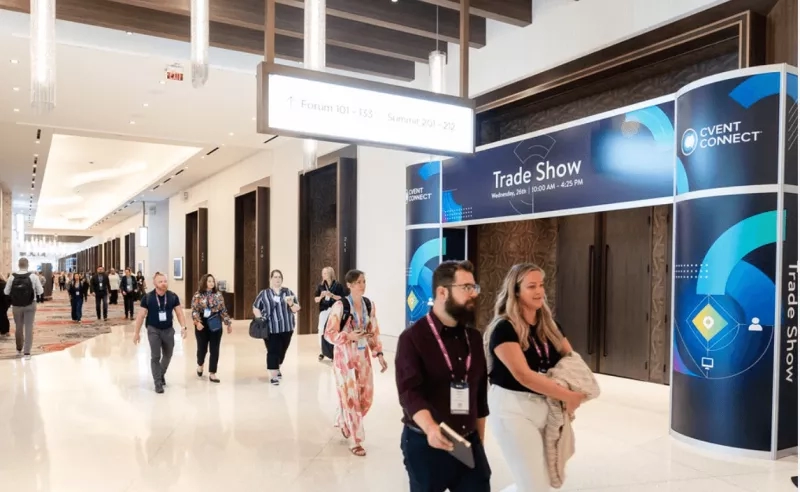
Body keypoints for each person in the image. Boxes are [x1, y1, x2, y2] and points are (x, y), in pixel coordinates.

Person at [485, 263, 585, 492]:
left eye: (541, 285)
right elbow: (523, 376)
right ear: (516, 291)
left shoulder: (550, 326)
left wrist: (574, 390)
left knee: (545, 481)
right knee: (533, 486)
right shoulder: (503, 329)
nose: (539, 291)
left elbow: (571, 359)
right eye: (531, 286)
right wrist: (567, 395)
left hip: (546, 407)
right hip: (512, 409)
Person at [395, 260, 491, 492]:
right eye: (466, 288)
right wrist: (430, 428)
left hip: (466, 443)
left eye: (474, 287)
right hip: (425, 443)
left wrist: (478, 442)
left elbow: (479, 396)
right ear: (441, 292)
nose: (472, 294)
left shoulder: (474, 338)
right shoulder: (412, 339)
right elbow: (410, 393)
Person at [323, 269, 388, 457]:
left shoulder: (369, 305)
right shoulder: (340, 306)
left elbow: (373, 331)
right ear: (350, 285)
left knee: (365, 397)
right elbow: (329, 334)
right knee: (351, 398)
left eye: (364, 281)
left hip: (363, 357)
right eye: (359, 282)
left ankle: (343, 417)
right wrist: (348, 335)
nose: (362, 285)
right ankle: (356, 440)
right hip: (344, 358)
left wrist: (379, 353)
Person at [133, 272, 187, 393]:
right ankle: (158, 382)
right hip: (153, 330)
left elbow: (179, 313)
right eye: (160, 281)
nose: (163, 284)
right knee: (155, 356)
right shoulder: (148, 297)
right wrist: (136, 333)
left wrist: (183, 327)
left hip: (168, 330)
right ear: (155, 283)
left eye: (165, 281)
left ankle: (160, 373)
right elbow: (141, 316)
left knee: (168, 355)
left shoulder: (172, 296)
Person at [252, 269, 300, 386]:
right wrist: (260, 318)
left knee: (282, 351)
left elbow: (296, 309)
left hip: (287, 328)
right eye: (275, 277)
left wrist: (291, 304)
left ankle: (277, 367)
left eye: (279, 277)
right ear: (271, 279)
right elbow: (255, 307)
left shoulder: (287, 292)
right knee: (273, 351)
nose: (277, 279)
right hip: (271, 328)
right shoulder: (264, 293)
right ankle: (273, 375)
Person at [191, 274, 232, 383]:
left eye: (212, 281)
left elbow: (223, 310)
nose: (211, 283)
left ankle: (212, 373)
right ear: (204, 282)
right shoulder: (198, 295)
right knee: (202, 348)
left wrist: (228, 323)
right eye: (209, 281)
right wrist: (197, 322)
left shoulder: (218, 295)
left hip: (215, 322)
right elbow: (194, 310)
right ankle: (200, 364)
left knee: (215, 349)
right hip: (202, 323)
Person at [4, 258, 44, 360]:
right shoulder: (33, 276)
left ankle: (18, 349)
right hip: (30, 304)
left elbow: (6, 292)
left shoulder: (12, 277)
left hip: (16, 305)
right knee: (29, 327)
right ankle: (27, 353)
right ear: (27, 265)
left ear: (18, 265)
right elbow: (40, 291)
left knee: (18, 327)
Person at [315, 266, 347, 361]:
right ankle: (322, 351)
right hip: (324, 310)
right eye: (322, 273)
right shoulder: (320, 286)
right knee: (321, 330)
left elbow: (342, 298)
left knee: (333, 330)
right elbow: (316, 300)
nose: (323, 275)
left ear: (330, 274)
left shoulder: (338, 285)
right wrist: (321, 296)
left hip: (334, 311)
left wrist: (332, 295)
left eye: (325, 273)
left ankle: (333, 352)